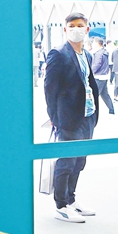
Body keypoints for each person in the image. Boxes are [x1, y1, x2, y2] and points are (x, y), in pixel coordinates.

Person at [43, 12, 101, 223]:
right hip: (68, 118)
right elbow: (50, 89)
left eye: (80, 25)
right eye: (72, 25)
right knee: (66, 161)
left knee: (79, 161)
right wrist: (54, 117)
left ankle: (71, 199)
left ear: (87, 29)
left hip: (87, 115)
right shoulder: (58, 54)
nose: (77, 29)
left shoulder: (87, 55)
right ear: (65, 29)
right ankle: (61, 205)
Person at [90, 36, 115, 115]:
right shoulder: (104, 51)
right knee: (104, 94)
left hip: (99, 76)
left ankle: (92, 111)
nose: (92, 44)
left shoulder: (99, 53)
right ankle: (111, 109)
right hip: (103, 75)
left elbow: (97, 64)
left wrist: (90, 72)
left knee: (95, 94)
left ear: (98, 43)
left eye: (94, 42)